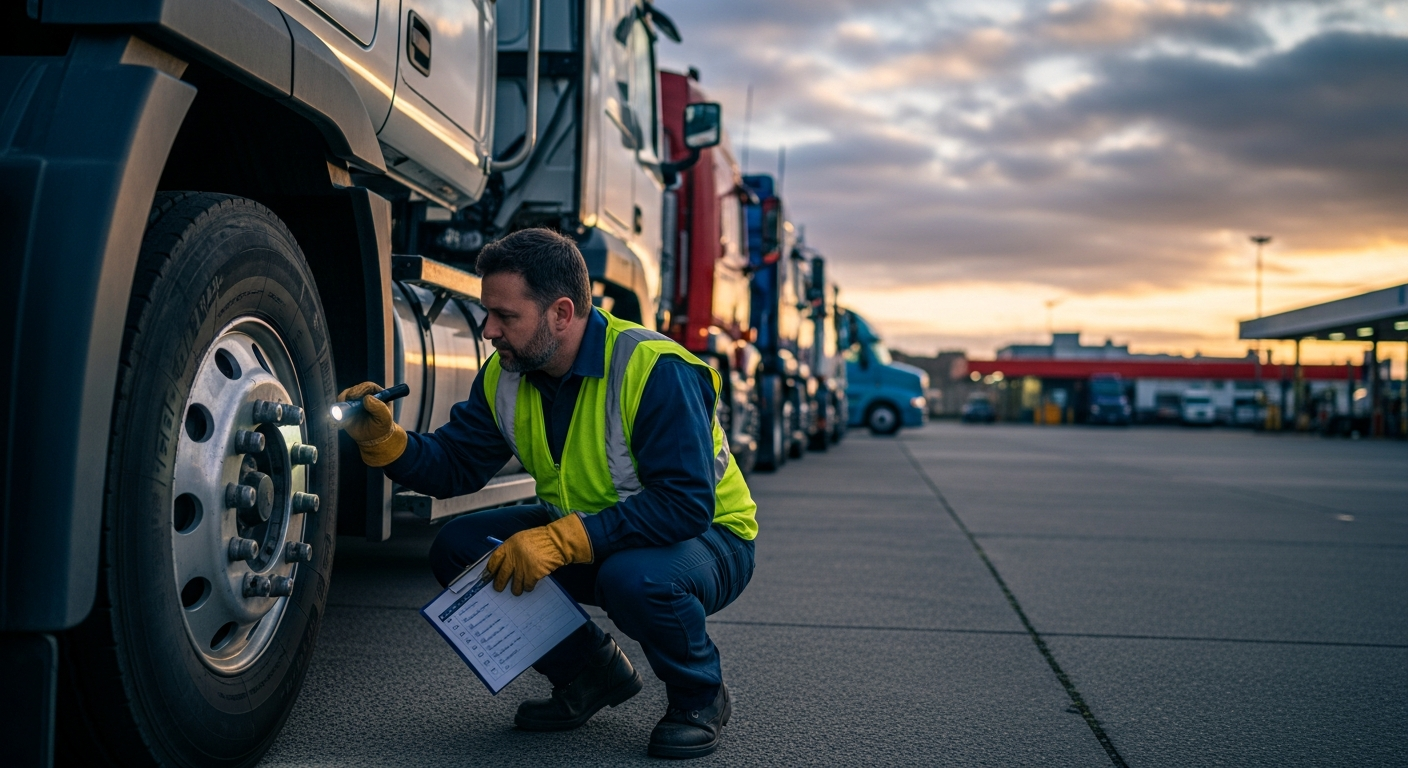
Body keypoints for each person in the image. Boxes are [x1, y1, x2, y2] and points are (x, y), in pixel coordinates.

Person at [335, 228, 757, 759]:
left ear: (561, 313)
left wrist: (561, 539)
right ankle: (589, 674)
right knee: (462, 547)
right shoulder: (508, 374)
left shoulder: (655, 369)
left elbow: (684, 504)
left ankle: (700, 696)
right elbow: (456, 466)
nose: (488, 330)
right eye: (487, 313)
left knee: (634, 579)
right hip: (599, 529)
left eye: (505, 316)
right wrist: (387, 443)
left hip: (710, 538)